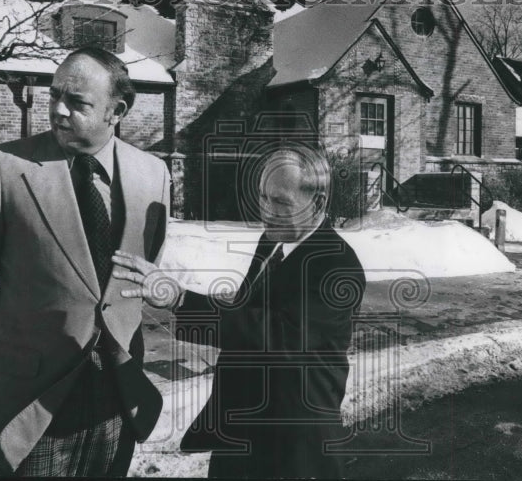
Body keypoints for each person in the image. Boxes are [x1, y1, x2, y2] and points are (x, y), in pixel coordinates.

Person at [0, 46, 169, 477]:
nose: (59, 110)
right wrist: (17, 352)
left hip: (115, 394)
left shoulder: (152, 174)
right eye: (54, 95)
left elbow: (135, 276)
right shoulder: (4, 167)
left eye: (78, 102)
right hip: (33, 399)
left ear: (115, 111)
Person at [112, 143, 366, 478]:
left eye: (280, 202)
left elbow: (274, 334)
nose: (266, 210)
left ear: (317, 203)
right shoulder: (270, 242)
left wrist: (181, 300)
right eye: (263, 196)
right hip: (242, 437)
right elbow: (244, 317)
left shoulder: (337, 265)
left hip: (293, 447)